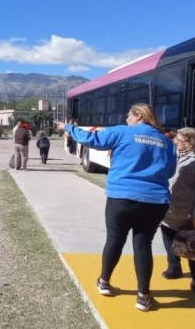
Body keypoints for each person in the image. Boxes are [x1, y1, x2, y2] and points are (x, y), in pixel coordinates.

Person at [55, 103, 176, 312]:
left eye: (128, 115)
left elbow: (90, 139)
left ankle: (104, 282)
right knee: (143, 244)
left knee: (115, 239)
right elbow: (170, 170)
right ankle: (144, 296)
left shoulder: (122, 132)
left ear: (138, 116)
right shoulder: (166, 141)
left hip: (122, 196)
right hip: (155, 200)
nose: (126, 119)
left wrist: (67, 128)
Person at [159, 127, 195, 293]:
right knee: (168, 234)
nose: (175, 142)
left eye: (179, 140)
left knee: (194, 244)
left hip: (190, 213)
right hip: (172, 210)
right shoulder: (179, 157)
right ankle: (174, 267)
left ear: (192, 142)